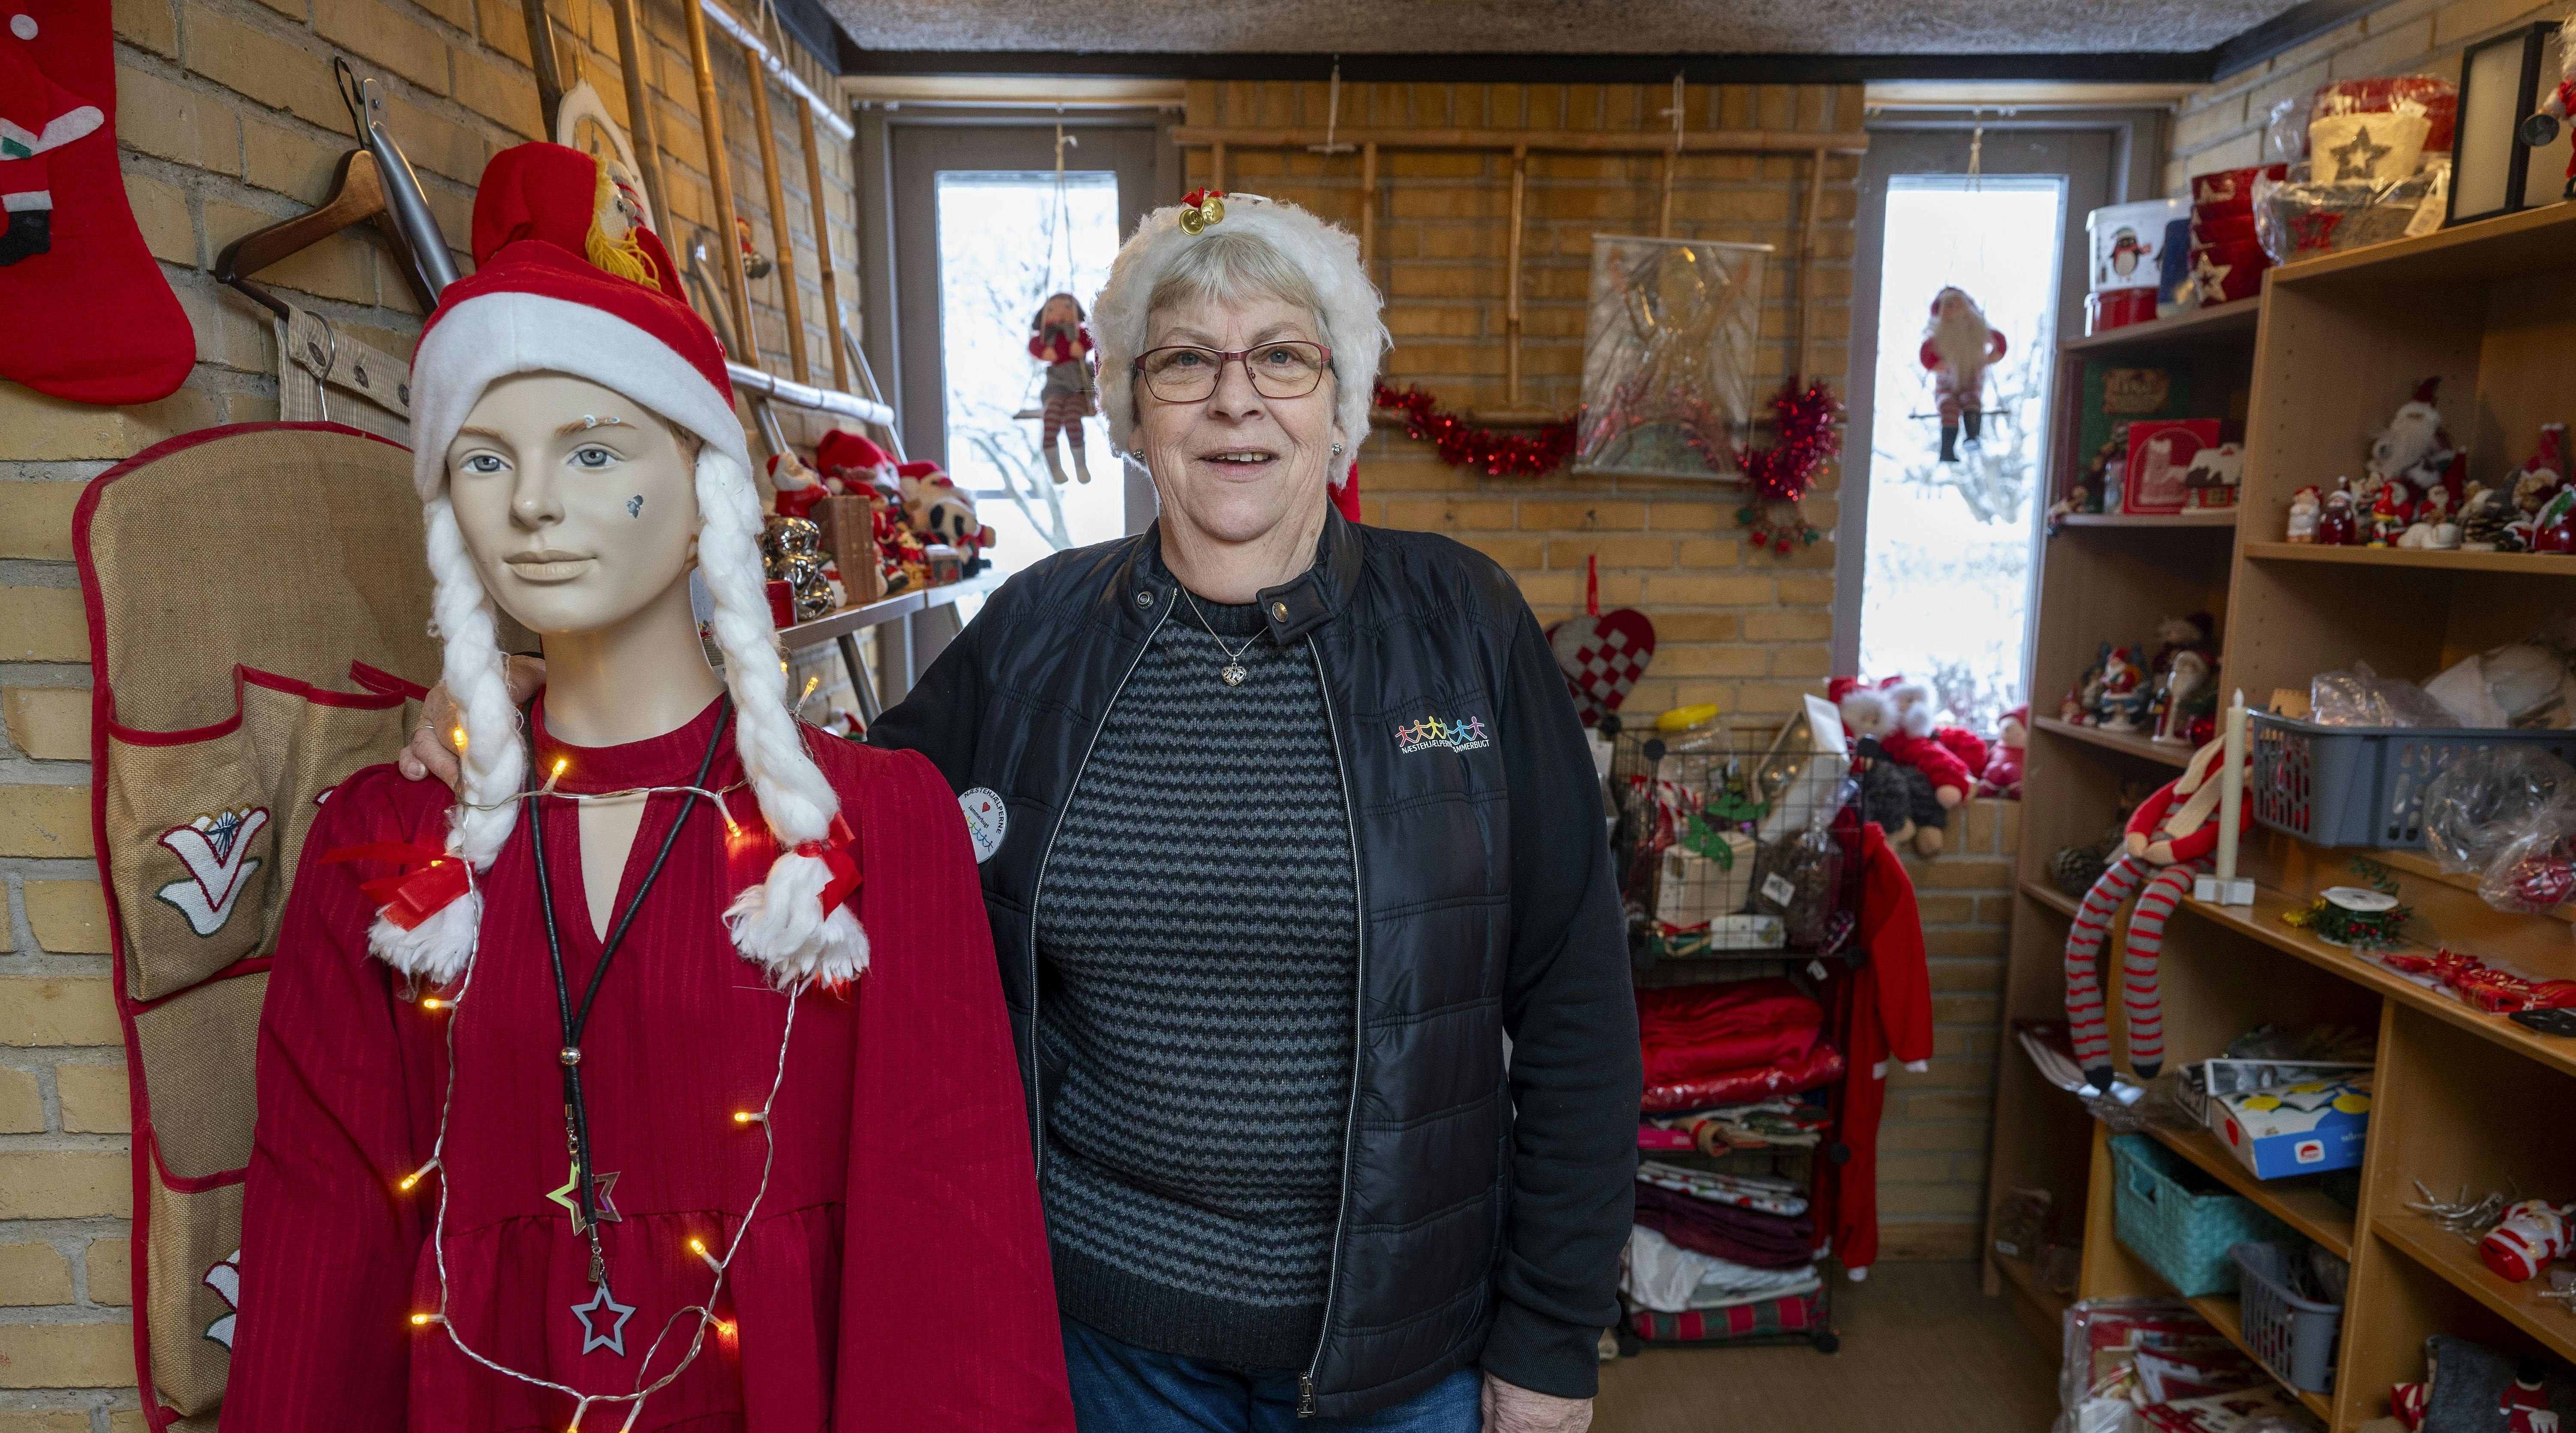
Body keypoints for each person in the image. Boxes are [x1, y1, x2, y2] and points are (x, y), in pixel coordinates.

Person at [405, 190, 1638, 1433]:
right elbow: (820, 822)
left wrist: (1548, 1339)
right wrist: (561, 702)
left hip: (1404, 1349)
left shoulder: (1462, 624)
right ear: (1127, 408)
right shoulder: (1038, 630)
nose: (1233, 398)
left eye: (1280, 356)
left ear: (1338, 400)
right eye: (1182, 363)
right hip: (1103, 1345)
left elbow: (1576, 1000)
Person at [239, 142, 1074, 1430]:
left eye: (589, 452)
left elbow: (952, 1250)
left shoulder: (874, 825)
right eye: (482, 458)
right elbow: (323, 1244)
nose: (529, 506)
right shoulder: (392, 840)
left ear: (703, 493)